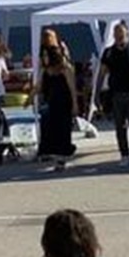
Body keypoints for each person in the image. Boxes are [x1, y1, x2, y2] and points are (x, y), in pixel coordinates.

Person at [97, 23, 129, 168]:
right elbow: (102, 72)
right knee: (120, 126)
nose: (119, 36)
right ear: (114, 35)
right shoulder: (109, 53)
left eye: (122, 33)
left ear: (127, 35)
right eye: (117, 34)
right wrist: (97, 91)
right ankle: (124, 154)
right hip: (116, 93)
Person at [36, 43, 78, 172]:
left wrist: (75, 105)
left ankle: (62, 158)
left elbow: (72, 89)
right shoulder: (44, 71)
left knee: (63, 130)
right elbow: (39, 87)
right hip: (51, 103)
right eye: (43, 56)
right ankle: (55, 154)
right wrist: (31, 96)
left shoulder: (65, 69)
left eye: (46, 55)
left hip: (64, 103)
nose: (44, 58)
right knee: (51, 130)